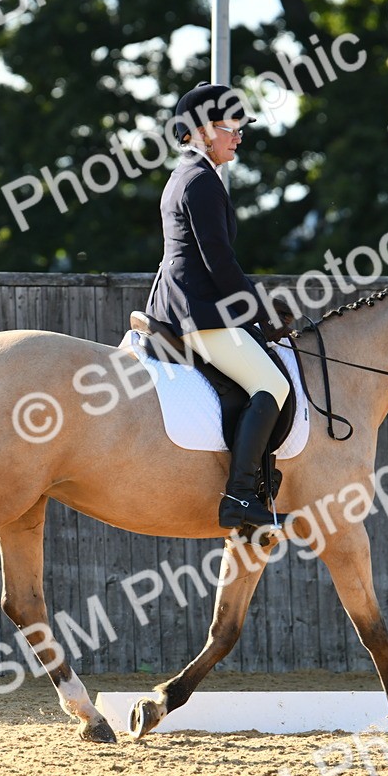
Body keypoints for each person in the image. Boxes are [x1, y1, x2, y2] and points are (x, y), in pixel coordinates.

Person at [144, 81, 293, 532]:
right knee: (272, 384)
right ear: (202, 130)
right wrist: (262, 312)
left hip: (187, 303)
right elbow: (219, 262)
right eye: (231, 127)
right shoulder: (201, 182)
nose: (239, 136)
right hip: (198, 311)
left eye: (240, 128)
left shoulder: (189, 176)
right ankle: (239, 498)